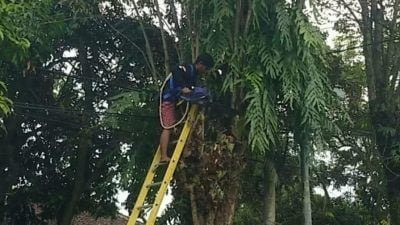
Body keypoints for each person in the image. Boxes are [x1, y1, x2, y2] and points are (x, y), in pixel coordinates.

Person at [159, 54, 214, 162]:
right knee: (168, 127)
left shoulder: (194, 75)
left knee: (203, 93)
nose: (205, 71)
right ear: (201, 64)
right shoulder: (188, 68)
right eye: (206, 68)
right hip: (168, 99)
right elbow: (175, 70)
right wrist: (183, 87)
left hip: (174, 99)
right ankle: (163, 156)